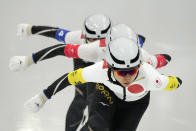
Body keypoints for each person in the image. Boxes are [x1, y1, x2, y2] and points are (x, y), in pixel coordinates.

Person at [24, 36, 182, 131]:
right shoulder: (100, 69)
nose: (127, 77)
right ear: (111, 67)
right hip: (108, 91)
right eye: (121, 72)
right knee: (98, 126)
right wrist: (43, 97)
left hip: (136, 104)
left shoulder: (151, 77)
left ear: (139, 67)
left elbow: (172, 79)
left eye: (131, 72)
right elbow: (68, 79)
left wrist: (173, 79)